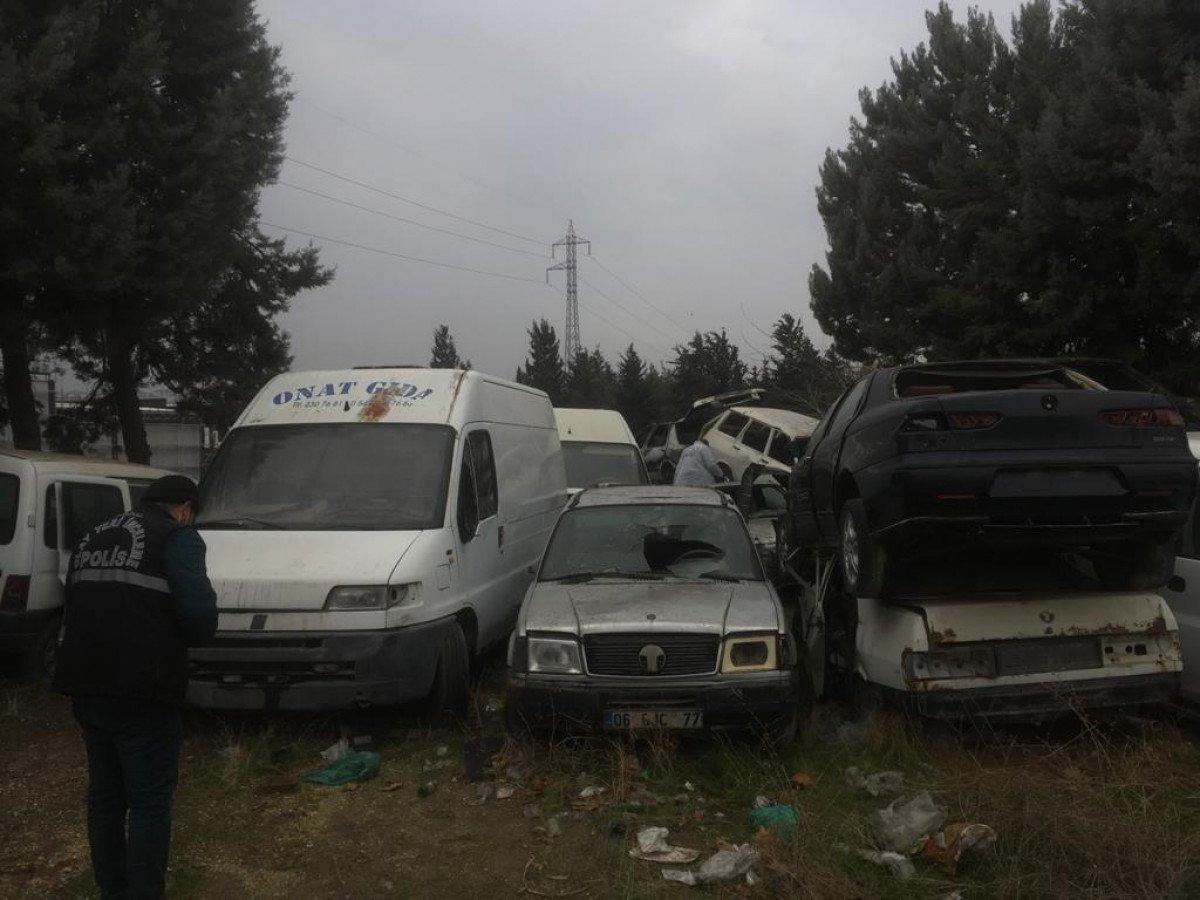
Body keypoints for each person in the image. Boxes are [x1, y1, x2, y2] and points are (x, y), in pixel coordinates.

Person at [54, 474, 217, 899]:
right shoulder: (177, 537)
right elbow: (200, 620)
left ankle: (112, 889)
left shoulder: (95, 534)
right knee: (149, 801)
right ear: (185, 509)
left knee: (106, 798)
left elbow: (75, 602)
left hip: (85, 684)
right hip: (144, 689)